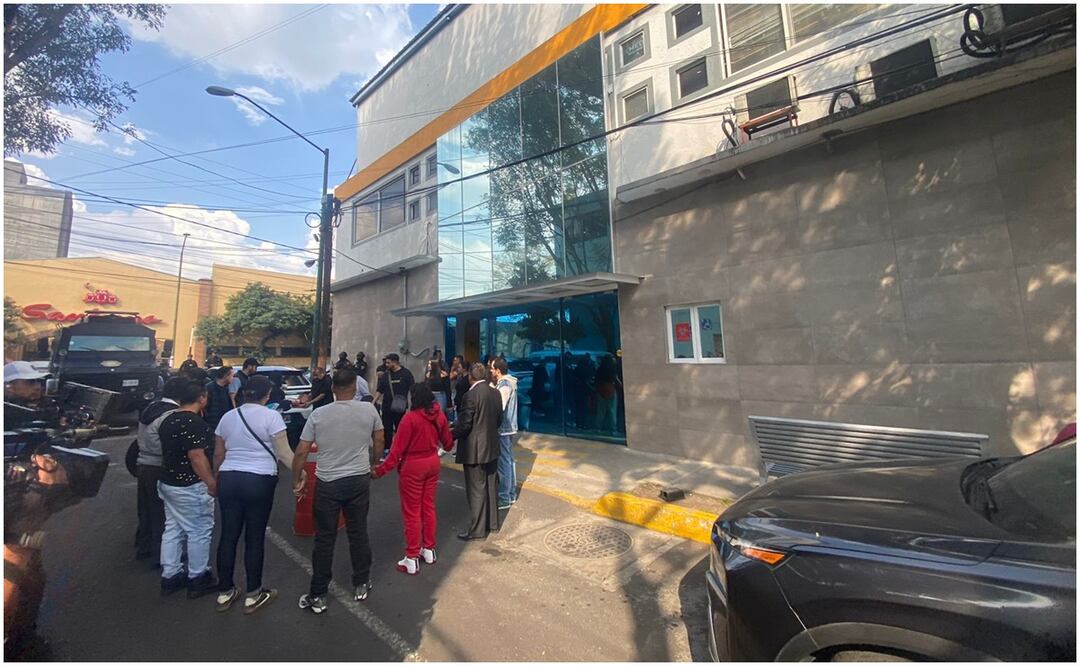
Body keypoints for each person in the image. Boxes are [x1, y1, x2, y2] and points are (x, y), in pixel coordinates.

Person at [292, 368, 384, 614]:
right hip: (358, 479)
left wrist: (298, 477)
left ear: (332, 388)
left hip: (328, 482)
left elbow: (301, 451)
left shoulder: (319, 414)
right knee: (358, 532)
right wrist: (374, 463)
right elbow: (380, 439)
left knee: (324, 538)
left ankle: (319, 593)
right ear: (355, 388)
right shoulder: (369, 410)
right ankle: (362, 582)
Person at [212, 376, 299, 614]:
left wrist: (214, 478)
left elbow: (219, 453)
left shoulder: (228, 417)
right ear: (267, 395)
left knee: (228, 536)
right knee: (254, 536)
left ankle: (225, 591)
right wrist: (302, 474)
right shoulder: (272, 417)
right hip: (259, 479)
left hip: (229, 477)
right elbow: (284, 454)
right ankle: (253, 593)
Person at [373, 383, 451, 575]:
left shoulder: (410, 419)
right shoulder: (439, 415)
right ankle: (429, 549)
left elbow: (395, 452)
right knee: (428, 507)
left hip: (413, 468)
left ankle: (412, 557)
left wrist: (380, 471)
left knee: (412, 512)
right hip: (432, 463)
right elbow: (448, 444)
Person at [156, 380, 218, 599]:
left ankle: (170, 575)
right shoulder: (193, 423)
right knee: (199, 530)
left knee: (173, 528)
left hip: (168, 481)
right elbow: (196, 456)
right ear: (201, 398)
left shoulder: (167, 420)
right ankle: (197, 577)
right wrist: (211, 482)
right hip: (189, 485)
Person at [133, 377, 188, 566]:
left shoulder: (151, 408)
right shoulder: (172, 414)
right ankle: (161, 555)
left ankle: (144, 547)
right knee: (162, 514)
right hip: (159, 465)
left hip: (142, 463)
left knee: (146, 509)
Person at [451, 363, 503, 540]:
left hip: (475, 449)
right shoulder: (495, 393)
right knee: (491, 485)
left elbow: (465, 425)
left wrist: (450, 435)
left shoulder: (470, 395)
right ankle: (493, 524)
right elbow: (499, 419)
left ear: (470, 377)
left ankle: (477, 530)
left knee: (476, 490)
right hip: (492, 446)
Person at [491, 358, 519, 510]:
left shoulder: (505, 385)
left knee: (505, 463)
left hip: (504, 429)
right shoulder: (508, 383)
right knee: (509, 461)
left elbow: (499, 406)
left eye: (492, 368)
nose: (490, 371)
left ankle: (505, 496)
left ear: (498, 370)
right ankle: (510, 494)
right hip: (507, 428)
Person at [376, 354, 414, 454]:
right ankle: (387, 449)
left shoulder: (406, 374)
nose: (386, 365)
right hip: (387, 407)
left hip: (399, 407)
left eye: (388, 362)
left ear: (395, 362)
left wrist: (413, 404)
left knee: (400, 429)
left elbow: (412, 389)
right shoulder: (386, 375)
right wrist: (373, 402)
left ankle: (400, 449)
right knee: (387, 429)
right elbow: (380, 390)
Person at [203, 366, 234, 431]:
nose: (233, 378)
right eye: (232, 376)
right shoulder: (209, 388)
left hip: (223, 425)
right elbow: (205, 407)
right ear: (226, 376)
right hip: (212, 425)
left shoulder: (226, 389)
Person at [449, 355, 469, 423]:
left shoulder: (467, 380)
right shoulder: (460, 377)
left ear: (464, 369)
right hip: (458, 402)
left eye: (460, 367)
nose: (458, 369)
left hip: (463, 403)